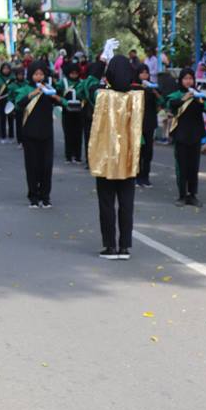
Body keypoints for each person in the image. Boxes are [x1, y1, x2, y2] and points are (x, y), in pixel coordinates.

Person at [87, 55, 144, 260]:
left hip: (106, 159)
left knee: (106, 203)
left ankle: (110, 246)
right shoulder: (138, 97)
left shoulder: (100, 95)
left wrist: (101, 62)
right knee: (127, 204)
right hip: (128, 159)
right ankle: (125, 247)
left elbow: (88, 83)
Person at [12, 60, 66, 208]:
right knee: (32, 166)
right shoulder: (25, 89)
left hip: (47, 134)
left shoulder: (49, 90)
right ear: (31, 75)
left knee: (47, 166)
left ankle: (45, 197)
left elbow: (65, 103)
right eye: (36, 74)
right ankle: (33, 197)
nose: (39, 76)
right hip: (30, 134)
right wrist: (33, 94)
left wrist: (56, 98)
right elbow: (18, 104)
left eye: (41, 74)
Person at [163, 68, 206, 207]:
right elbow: (169, 105)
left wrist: (199, 99)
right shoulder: (176, 95)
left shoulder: (198, 96)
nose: (188, 81)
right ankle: (182, 195)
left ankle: (192, 195)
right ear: (180, 80)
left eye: (190, 78)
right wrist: (183, 98)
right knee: (181, 166)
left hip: (195, 134)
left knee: (193, 166)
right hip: (181, 135)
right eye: (185, 78)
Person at [134, 62, 160, 187]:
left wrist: (154, 91)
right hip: (137, 124)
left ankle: (146, 176)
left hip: (149, 123)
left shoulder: (152, 88)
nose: (144, 75)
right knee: (138, 150)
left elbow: (162, 101)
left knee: (148, 151)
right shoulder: (133, 87)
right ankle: (136, 176)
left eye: (146, 72)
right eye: (142, 73)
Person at [57, 62, 87, 164]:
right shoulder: (63, 82)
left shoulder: (82, 83)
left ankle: (77, 156)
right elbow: (58, 93)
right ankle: (68, 156)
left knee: (78, 134)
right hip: (67, 111)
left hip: (79, 112)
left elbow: (85, 95)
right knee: (68, 134)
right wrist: (63, 102)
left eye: (76, 73)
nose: (74, 75)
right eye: (72, 73)